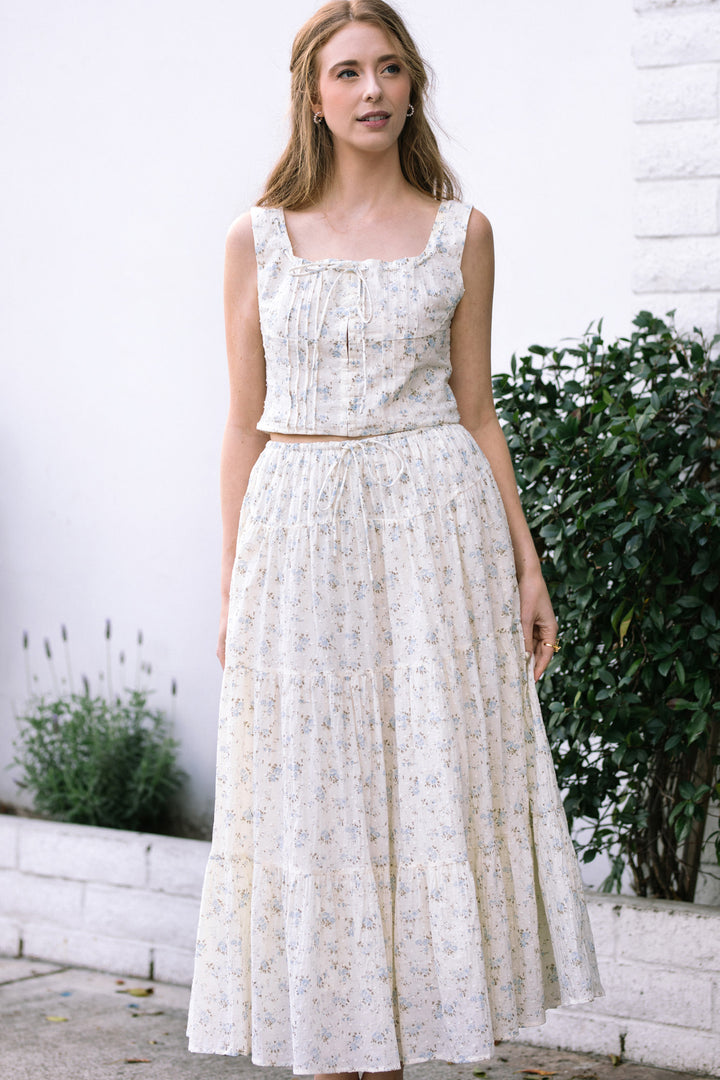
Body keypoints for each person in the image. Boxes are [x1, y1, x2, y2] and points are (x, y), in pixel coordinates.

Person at [186, 2, 603, 1076]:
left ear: (412, 85)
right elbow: (241, 421)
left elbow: (477, 411)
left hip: (436, 534)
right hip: (301, 535)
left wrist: (527, 563)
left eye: (390, 69)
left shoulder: (462, 230)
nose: (372, 91)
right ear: (312, 95)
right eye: (348, 73)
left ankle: (405, 1046)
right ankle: (337, 1052)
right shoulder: (256, 238)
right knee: (318, 799)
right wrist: (234, 588)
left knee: (426, 786)